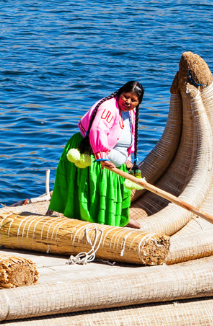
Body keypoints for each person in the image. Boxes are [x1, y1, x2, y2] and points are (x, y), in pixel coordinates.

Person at [48, 81, 144, 229]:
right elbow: (97, 130)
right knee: (93, 190)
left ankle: (120, 218)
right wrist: (102, 158)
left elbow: (130, 134)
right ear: (120, 93)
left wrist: (129, 157)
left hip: (113, 156)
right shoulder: (108, 108)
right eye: (125, 97)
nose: (128, 102)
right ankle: (91, 221)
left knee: (119, 190)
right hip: (92, 151)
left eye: (133, 100)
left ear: (139, 102)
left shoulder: (131, 111)